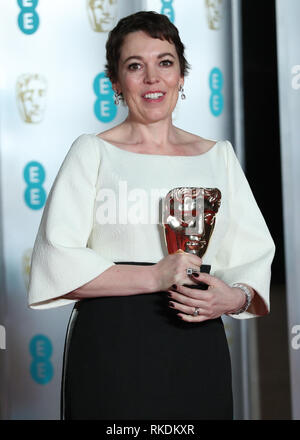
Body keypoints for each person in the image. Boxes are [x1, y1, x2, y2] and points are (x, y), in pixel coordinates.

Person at [27, 11, 275, 420]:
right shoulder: (92, 152)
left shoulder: (219, 157)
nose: (152, 78)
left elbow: (252, 257)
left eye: (165, 62)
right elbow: (57, 261)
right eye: (134, 66)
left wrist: (235, 297)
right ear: (115, 83)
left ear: (181, 74)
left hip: (199, 344)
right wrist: (154, 276)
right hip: (111, 345)